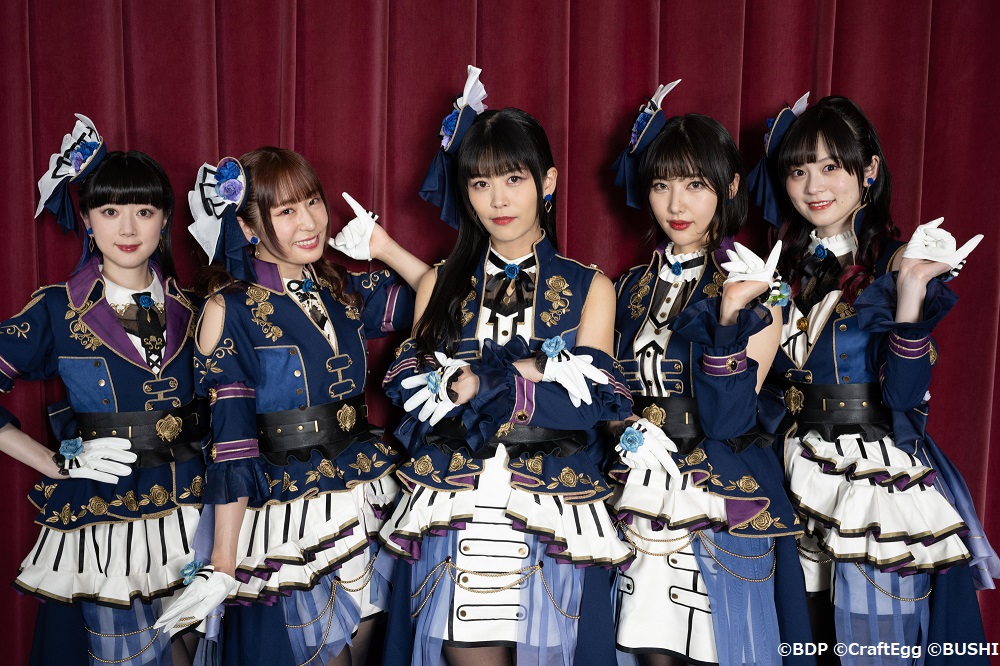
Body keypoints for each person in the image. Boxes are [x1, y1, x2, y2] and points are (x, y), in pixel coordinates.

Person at [378, 67, 634, 666]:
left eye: (514, 179)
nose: (497, 200)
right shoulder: (440, 282)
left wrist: (485, 381)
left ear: (547, 181)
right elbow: (413, 391)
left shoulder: (590, 286)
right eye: (481, 183)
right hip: (456, 496)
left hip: (556, 497)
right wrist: (538, 370)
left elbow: (590, 402)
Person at [751, 94, 998, 663]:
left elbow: (905, 395)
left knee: (873, 647)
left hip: (871, 476)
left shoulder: (898, 261)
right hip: (790, 469)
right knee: (799, 642)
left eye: (830, 167)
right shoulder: (778, 267)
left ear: (869, 170)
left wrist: (910, 290)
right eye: (798, 171)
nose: (814, 186)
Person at [156, 147, 427, 666]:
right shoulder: (229, 307)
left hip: (363, 494)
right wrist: (223, 563)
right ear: (248, 227)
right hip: (289, 509)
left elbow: (442, 298)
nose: (309, 222)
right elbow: (232, 440)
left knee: (367, 650)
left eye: (313, 202)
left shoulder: (341, 288)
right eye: (286, 211)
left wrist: (383, 247)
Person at [608, 85, 814, 666]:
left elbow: (731, 419)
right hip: (634, 485)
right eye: (661, 184)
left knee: (714, 650)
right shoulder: (626, 287)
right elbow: (603, 388)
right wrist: (621, 426)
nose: (677, 203)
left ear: (729, 188)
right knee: (642, 650)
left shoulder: (761, 287)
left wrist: (728, 318)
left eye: (695, 184)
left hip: (718, 489)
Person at [0, 115, 212, 665]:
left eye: (144, 211)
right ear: (88, 221)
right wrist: (55, 464)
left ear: (164, 220)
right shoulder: (57, 307)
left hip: (197, 502)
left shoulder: (198, 307)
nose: (128, 227)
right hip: (106, 512)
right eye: (110, 211)